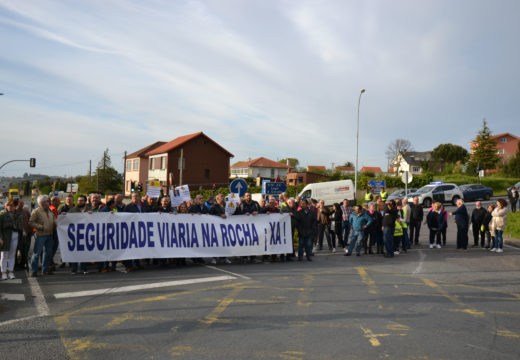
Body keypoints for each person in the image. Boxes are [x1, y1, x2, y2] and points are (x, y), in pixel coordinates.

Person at [29, 195, 57, 277]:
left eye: (48, 201)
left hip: (50, 234)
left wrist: (56, 223)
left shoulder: (49, 211)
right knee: (36, 253)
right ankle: (33, 270)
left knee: (48, 253)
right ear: (42, 203)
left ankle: (45, 270)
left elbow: (54, 219)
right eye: (46, 201)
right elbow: (31, 222)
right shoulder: (36, 211)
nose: (48, 203)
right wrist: (41, 227)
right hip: (41, 235)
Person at [0, 199, 24, 280]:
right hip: (5, 235)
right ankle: (3, 272)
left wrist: (23, 231)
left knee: (12, 254)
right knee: (4, 255)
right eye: (9, 205)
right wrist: (0, 238)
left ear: (15, 207)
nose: (10, 207)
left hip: (15, 234)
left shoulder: (18, 215)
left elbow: (20, 226)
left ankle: (10, 271)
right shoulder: (2, 214)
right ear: (6, 206)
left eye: (12, 206)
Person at [67, 195, 89, 274]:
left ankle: (84, 268)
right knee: (74, 252)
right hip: (75, 234)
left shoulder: (89, 210)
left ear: (85, 202)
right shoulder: (72, 210)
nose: (79, 202)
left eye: (81, 200)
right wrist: (63, 215)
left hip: (86, 234)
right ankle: (74, 269)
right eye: (78, 200)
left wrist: (92, 214)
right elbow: (66, 220)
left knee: (84, 252)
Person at [16, 199, 32, 271]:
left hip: (27, 233)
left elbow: (30, 221)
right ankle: (16, 265)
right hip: (18, 234)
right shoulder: (15, 212)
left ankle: (22, 264)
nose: (22, 204)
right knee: (17, 249)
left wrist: (31, 230)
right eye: (20, 203)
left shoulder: (26, 211)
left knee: (25, 249)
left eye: (22, 203)